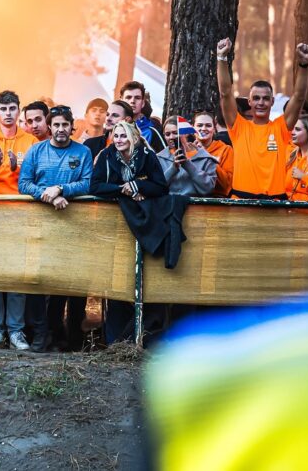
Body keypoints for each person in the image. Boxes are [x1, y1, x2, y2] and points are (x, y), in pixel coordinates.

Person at [18, 105, 94, 352]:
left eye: (65, 125)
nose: (61, 129)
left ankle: (68, 335)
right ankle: (41, 332)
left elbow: (87, 183)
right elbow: (24, 184)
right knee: (38, 280)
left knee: (69, 279)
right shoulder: (36, 150)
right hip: (40, 225)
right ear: (50, 127)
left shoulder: (83, 152)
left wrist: (61, 189)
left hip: (73, 226)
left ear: (72, 127)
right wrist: (47, 195)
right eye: (57, 125)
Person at [90, 120, 170, 343]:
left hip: (142, 222)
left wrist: (139, 185)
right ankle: (116, 340)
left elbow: (161, 186)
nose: (118, 140)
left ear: (133, 137)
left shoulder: (147, 155)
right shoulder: (106, 156)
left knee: (144, 279)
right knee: (118, 281)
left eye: (123, 135)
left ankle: (145, 337)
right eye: (116, 136)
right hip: (115, 224)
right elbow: (94, 186)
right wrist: (122, 190)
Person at [0, 90, 38, 351]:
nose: (8, 113)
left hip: (20, 214)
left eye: (13, 108)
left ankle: (16, 331)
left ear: (18, 110)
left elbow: (34, 178)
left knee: (17, 274)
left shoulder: (31, 141)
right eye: (4, 109)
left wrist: (18, 169)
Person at [216, 38, 308, 199]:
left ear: (272, 102)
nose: (261, 103)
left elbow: (299, 97)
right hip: (242, 201)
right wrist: (221, 58)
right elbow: (225, 93)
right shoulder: (238, 126)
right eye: (256, 98)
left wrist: (303, 65)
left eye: (266, 98)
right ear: (249, 102)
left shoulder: (281, 127)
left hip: (274, 203)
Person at [156, 117, 217, 197]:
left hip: (195, 204)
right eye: (167, 134)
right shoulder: (159, 158)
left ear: (185, 133)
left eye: (175, 133)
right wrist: (173, 168)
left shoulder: (205, 158)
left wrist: (187, 164)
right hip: (168, 203)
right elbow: (156, 188)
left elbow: (208, 189)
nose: (171, 137)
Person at [192, 111, 234, 197]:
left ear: (214, 129)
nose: (203, 128)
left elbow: (227, 184)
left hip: (216, 199)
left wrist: (207, 156)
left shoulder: (225, 150)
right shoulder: (187, 150)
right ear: (193, 128)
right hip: (191, 198)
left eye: (208, 125)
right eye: (199, 125)